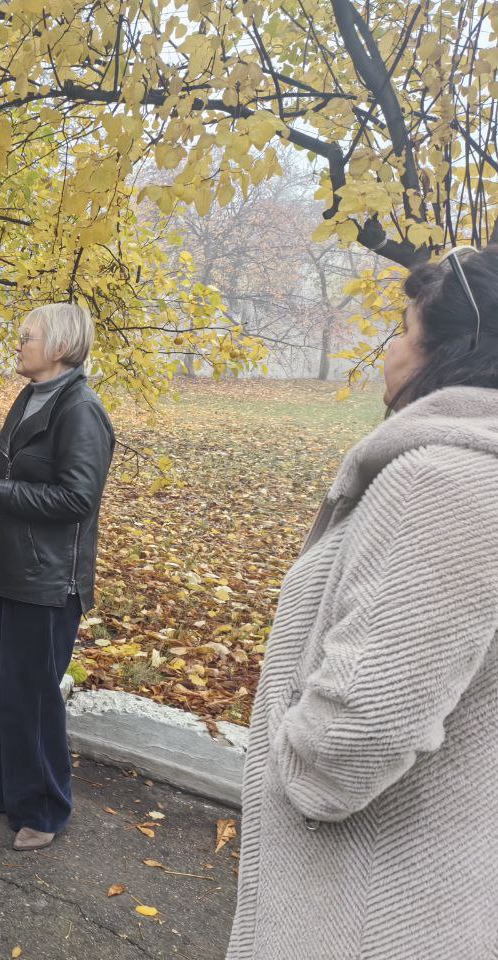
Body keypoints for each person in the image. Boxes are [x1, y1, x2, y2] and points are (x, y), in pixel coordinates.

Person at [226, 245, 498, 960]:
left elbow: (351, 743)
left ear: (451, 353)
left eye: (402, 329)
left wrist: (294, 760)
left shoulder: (442, 484)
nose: (387, 350)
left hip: (366, 915)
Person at [0, 303, 114, 852]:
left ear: (60, 347)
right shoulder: (30, 397)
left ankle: (43, 809)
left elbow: (77, 498)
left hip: (44, 583)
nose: (17, 345)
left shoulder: (82, 409)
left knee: (31, 698)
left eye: (27, 337)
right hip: (3, 571)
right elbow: (6, 456)